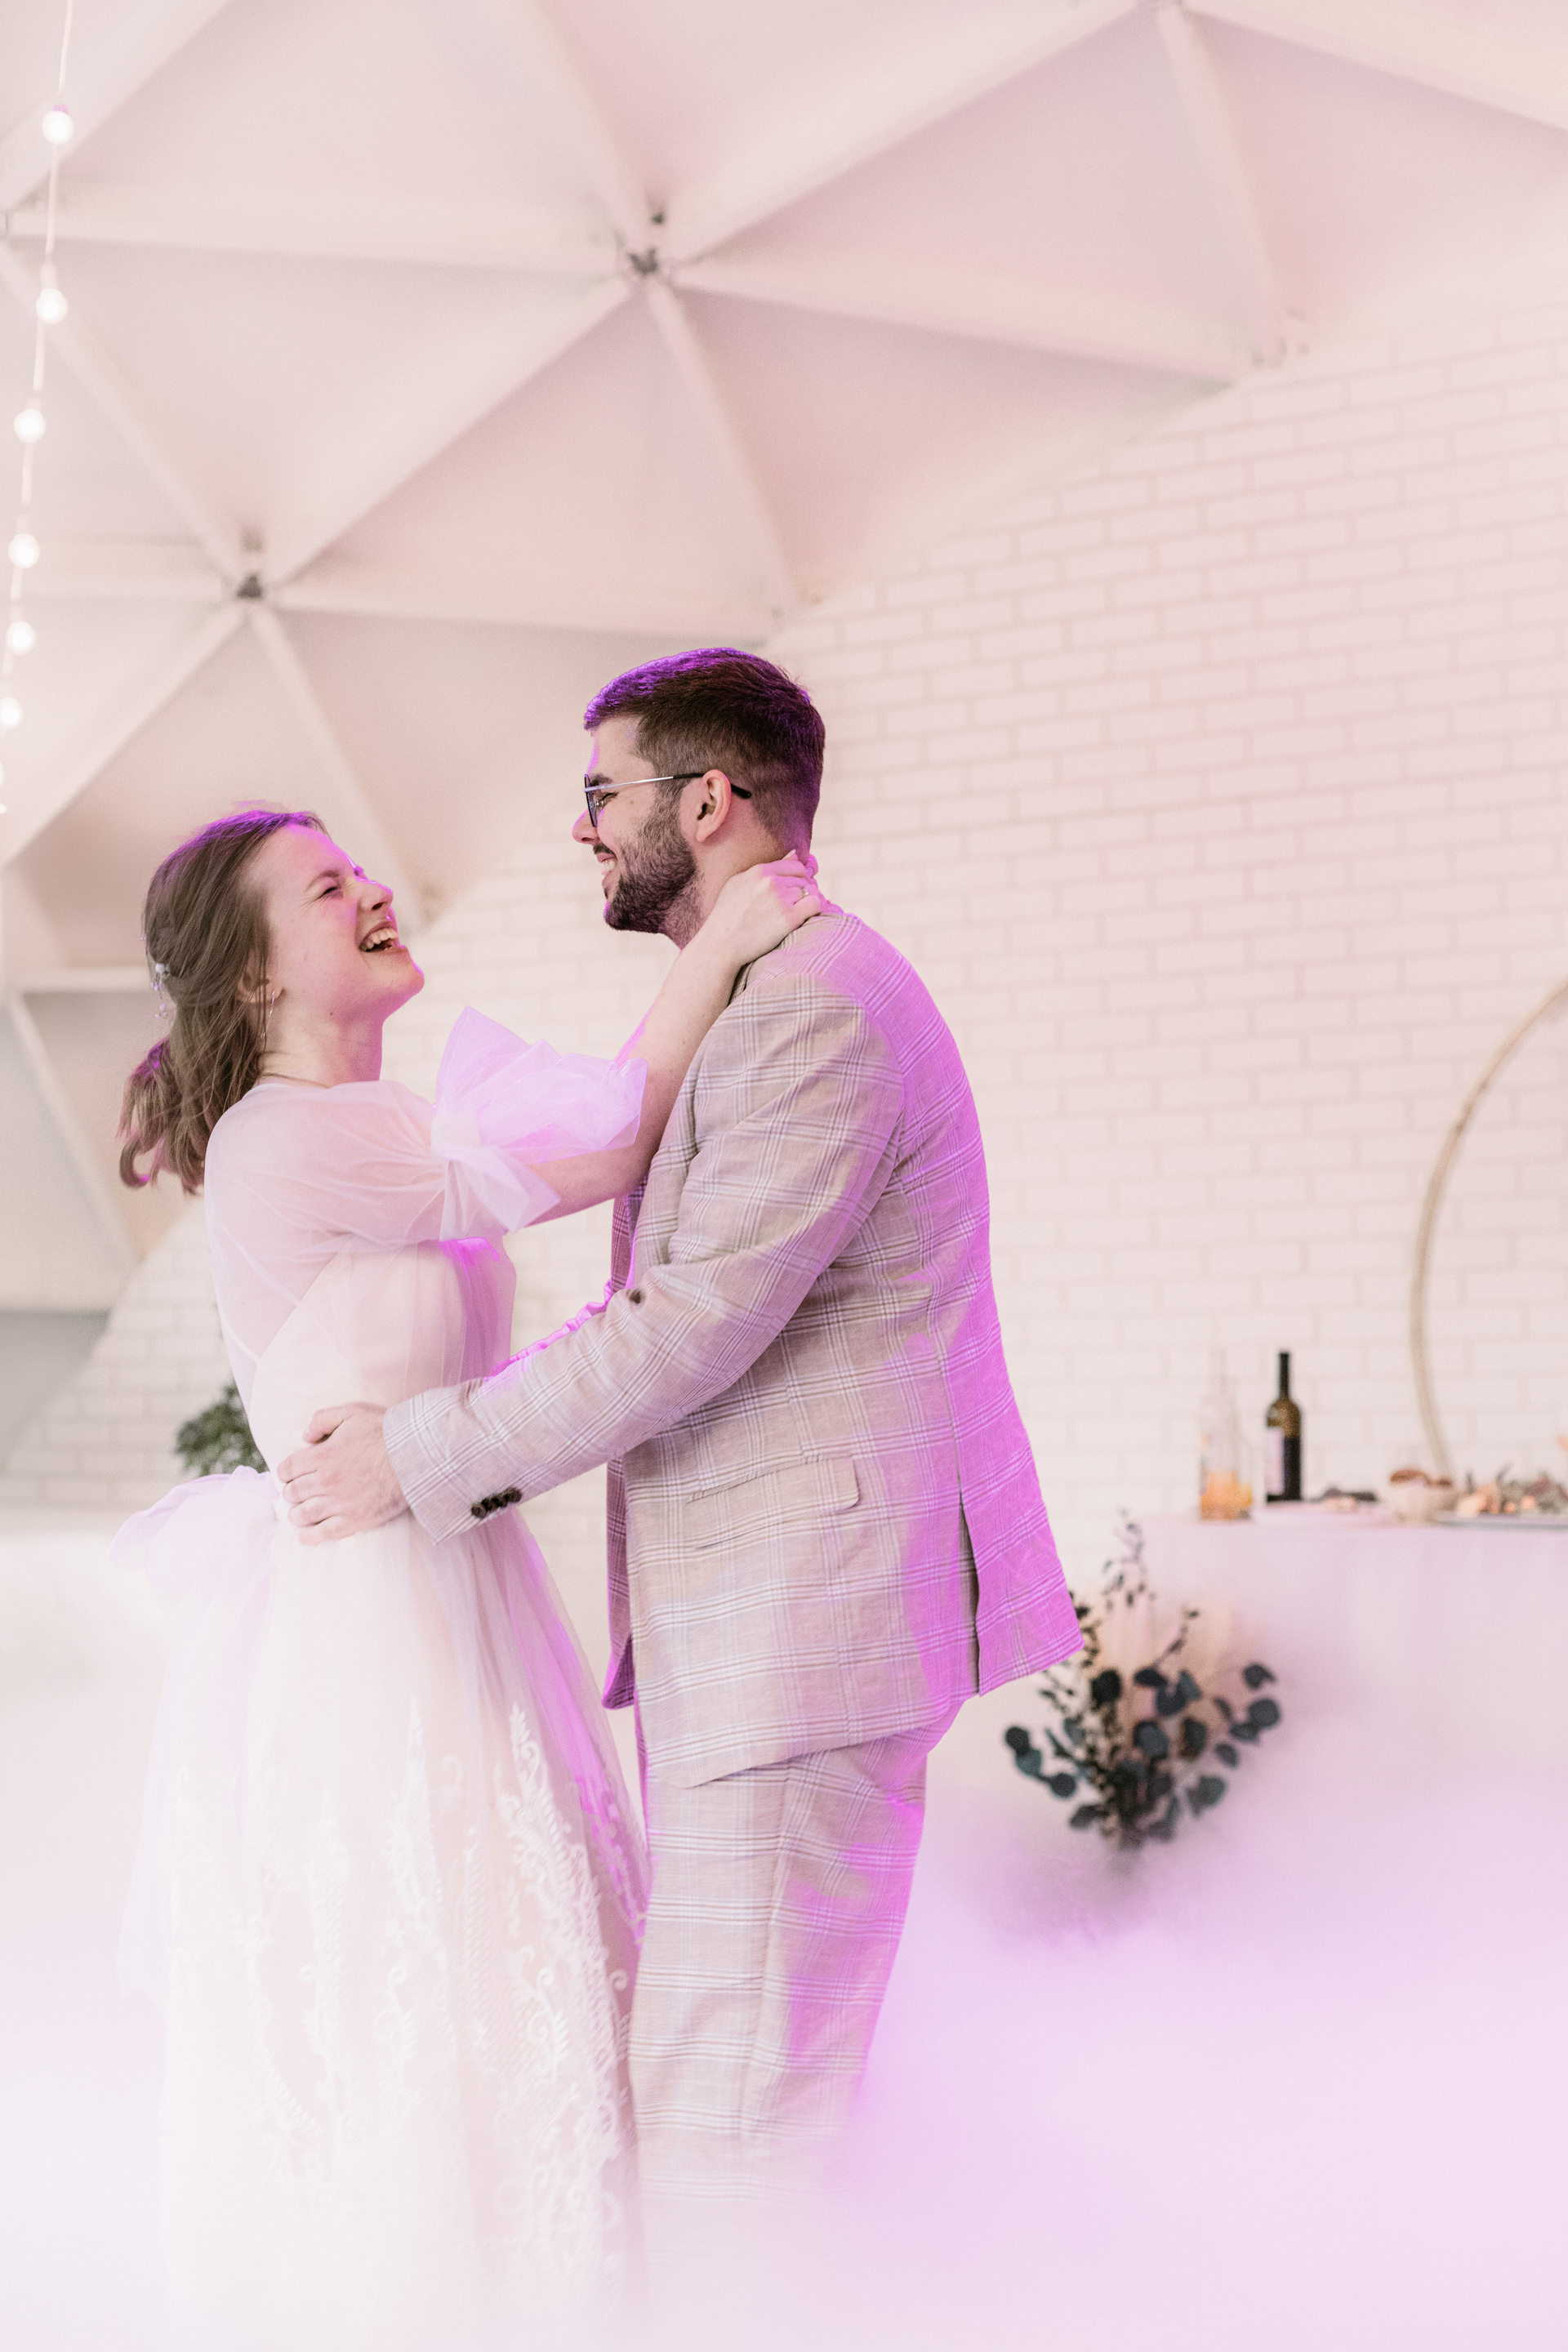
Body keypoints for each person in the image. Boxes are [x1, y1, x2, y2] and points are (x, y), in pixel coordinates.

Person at [278, 648, 1084, 2240]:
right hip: (772, 1626)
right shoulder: (766, 989)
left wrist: (413, 1457)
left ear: (706, 801)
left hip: (805, 1624)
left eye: (604, 794)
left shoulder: (816, 1009)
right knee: (735, 2089)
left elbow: (685, 1326)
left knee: (735, 2122)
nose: (582, 828)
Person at [114, 801, 818, 2342]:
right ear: (256, 975)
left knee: (512, 1953)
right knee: (430, 1963)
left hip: (456, 1580)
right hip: (375, 1627)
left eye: (359, 868)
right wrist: (723, 946)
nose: (372, 890)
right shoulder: (288, 1136)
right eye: (326, 888)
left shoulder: (380, 1123)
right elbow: (610, 1144)